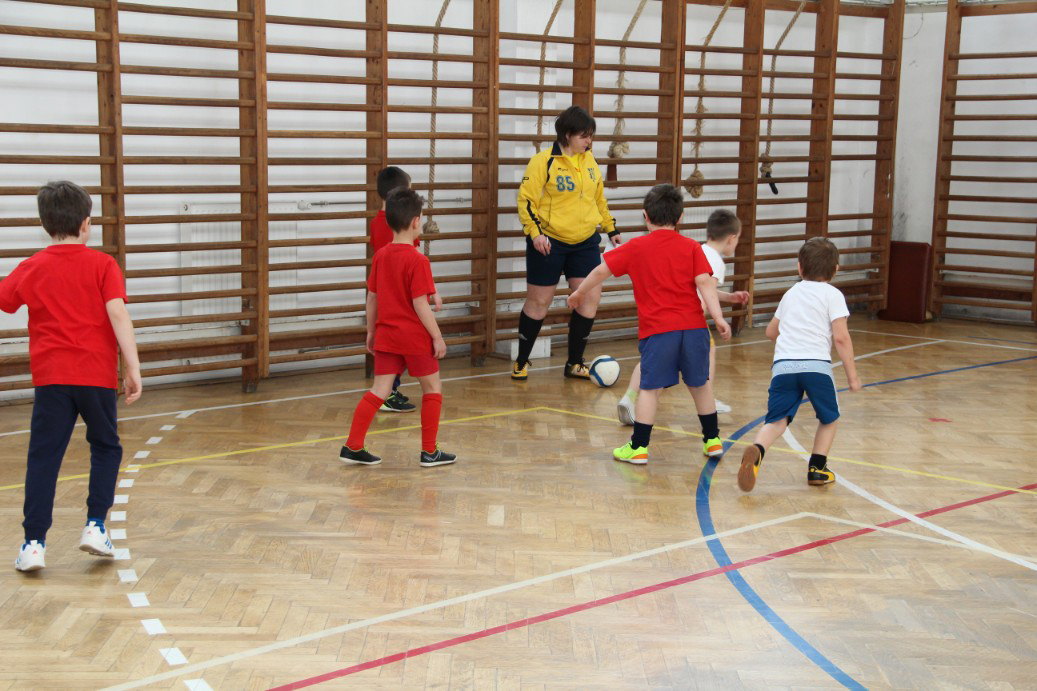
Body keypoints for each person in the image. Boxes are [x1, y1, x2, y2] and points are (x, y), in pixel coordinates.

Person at [0, 181, 142, 572]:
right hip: (95, 377)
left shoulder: (33, 266)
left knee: (44, 457)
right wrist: (133, 367)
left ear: (45, 224)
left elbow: (5, 299)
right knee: (106, 447)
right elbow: (118, 313)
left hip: (51, 380)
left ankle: (33, 545)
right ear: (85, 224)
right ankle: (95, 525)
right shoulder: (103, 265)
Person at [567, 184, 730, 465]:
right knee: (701, 385)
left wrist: (580, 293)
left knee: (650, 389)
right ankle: (713, 440)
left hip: (659, 331)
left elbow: (601, 271)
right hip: (694, 329)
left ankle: (639, 446)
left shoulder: (635, 247)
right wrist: (718, 317)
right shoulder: (692, 247)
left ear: (645, 215)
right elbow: (705, 283)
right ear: (680, 217)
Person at [340, 187, 456, 468]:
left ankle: (353, 445)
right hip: (414, 338)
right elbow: (420, 304)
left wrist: (371, 331)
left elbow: (372, 298)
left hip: (387, 335)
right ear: (416, 222)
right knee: (432, 388)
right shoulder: (418, 259)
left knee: (379, 390)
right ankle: (429, 452)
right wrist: (437, 336)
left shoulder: (381, 256)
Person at [737, 236, 861, 492]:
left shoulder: (791, 293)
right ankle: (817, 468)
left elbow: (771, 332)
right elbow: (841, 337)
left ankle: (757, 450)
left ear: (799, 267)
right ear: (836, 269)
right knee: (829, 418)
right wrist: (852, 376)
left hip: (783, 366)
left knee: (776, 420)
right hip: (816, 367)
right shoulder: (833, 295)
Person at [513, 105, 621, 381]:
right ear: (567, 135)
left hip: (585, 242)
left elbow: (599, 199)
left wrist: (610, 228)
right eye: (584, 136)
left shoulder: (590, 161)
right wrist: (535, 233)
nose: (589, 141)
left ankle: (574, 363)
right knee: (539, 301)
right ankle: (521, 361)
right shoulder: (543, 161)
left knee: (589, 297)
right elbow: (526, 201)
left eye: (591, 136)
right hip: (549, 242)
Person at [616, 208, 749, 425]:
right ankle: (708, 398)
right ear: (732, 238)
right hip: (688, 321)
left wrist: (730, 297)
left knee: (654, 363)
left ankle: (630, 396)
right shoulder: (716, 261)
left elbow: (703, 286)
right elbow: (705, 291)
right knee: (707, 353)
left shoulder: (699, 248)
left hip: (668, 319)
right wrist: (710, 318)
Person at [370, 166, 442, 412]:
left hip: (390, 305)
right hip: (406, 315)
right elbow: (412, 269)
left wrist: (431, 289)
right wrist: (437, 336)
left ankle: (387, 393)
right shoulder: (406, 250)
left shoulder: (382, 232)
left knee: (386, 369)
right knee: (432, 387)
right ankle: (389, 393)